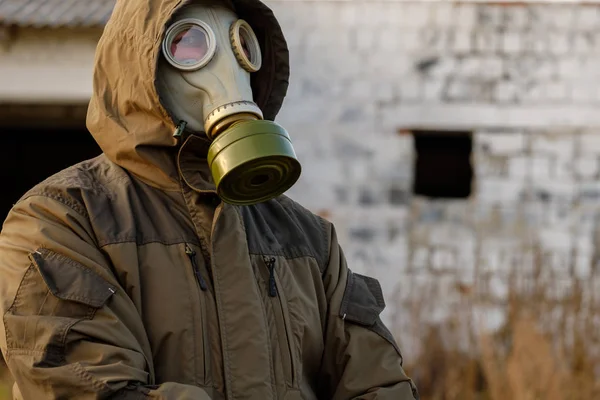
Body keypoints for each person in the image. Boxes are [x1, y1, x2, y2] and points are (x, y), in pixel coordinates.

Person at [0, 0, 419, 398]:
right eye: (191, 44)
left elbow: (379, 385)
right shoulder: (61, 221)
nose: (227, 70)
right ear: (139, 66)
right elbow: (90, 389)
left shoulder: (311, 240)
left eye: (242, 46)